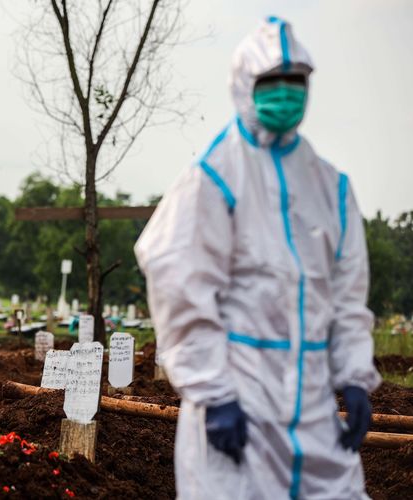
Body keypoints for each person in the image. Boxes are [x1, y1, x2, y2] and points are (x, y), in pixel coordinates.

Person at [134, 17, 380, 499]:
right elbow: (179, 284)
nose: (286, 92)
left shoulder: (331, 186)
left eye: (297, 80)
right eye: (272, 81)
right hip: (238, 398)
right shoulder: (213, 176)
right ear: (245, 85)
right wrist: (214, 392)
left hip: (311, 407)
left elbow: (348, 293)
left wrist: (353, 374)